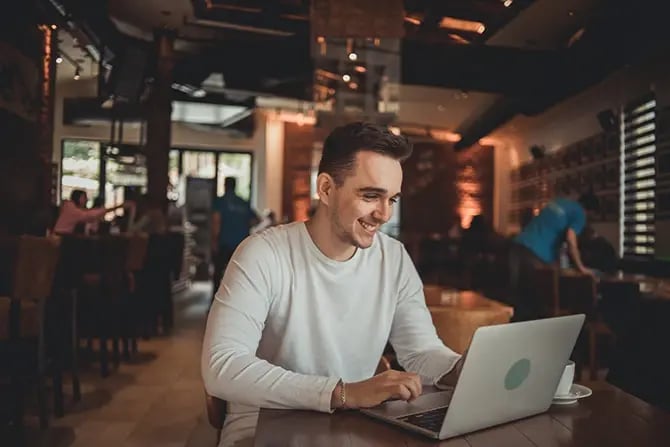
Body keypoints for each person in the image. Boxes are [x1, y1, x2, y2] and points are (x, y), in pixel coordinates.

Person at [202, 122, 464, 444]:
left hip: (354, 429)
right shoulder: (263, 253)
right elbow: (222, 366)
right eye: (371, 196)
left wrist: (463, 369)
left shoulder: (393, 257)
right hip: (262, 430)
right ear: (326, 189)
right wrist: (342, 394)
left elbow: (421, 351)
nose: (383, 214)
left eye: (392, 199)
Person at [508, 192, 600, 321]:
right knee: (536, 303)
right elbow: (571, 240)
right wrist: (582, 268)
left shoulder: (559, 202)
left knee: (518, 299)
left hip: (517, 246)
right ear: (590, 212)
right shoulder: (580, 214)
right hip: (535, 254)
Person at [211, 177, 259, 298]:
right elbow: (256, 219)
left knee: (219, 274)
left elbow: (216, 222)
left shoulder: (220, 202)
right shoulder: (243, 203)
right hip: (241, 245)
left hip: (224, 243)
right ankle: (238, 299)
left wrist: (214, 241)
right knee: (239, 275)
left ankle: (216, 300)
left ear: (225, 185)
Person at [53, 189, 133, 235]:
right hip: (61, 239)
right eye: (84, 197)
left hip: (63, 238)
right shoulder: (72, 209)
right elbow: (90, 215)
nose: (87, 200)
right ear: (79, 198)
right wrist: (117, 207)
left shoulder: (70, 207)